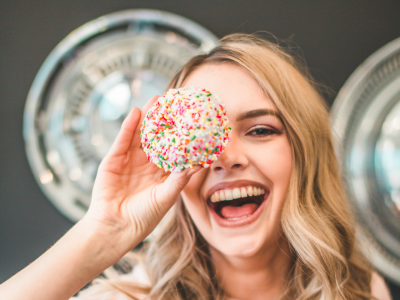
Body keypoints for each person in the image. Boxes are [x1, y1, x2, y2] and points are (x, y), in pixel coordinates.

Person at [0, 34, 392, 300]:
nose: (225, 156)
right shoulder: (130, 297)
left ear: (304, 152)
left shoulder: (357, 289)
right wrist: (103, 233)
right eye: (200, 137)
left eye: (259, 129)